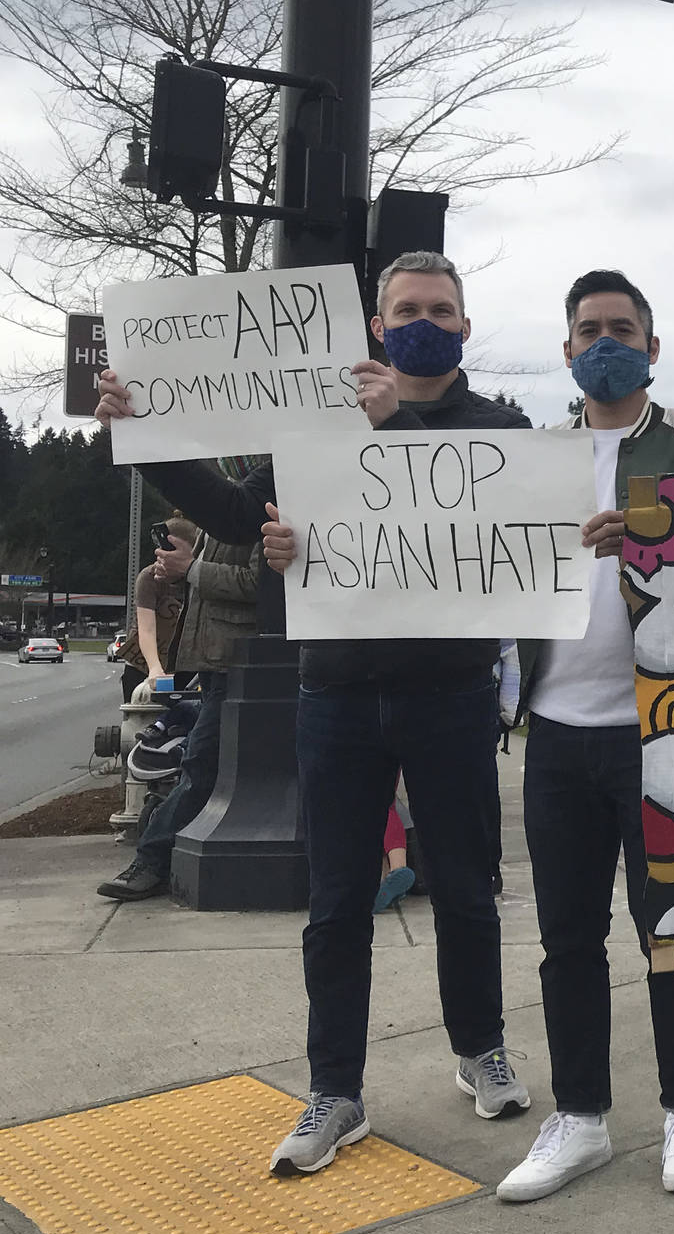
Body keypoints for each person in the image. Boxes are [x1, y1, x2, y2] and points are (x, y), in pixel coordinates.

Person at [96, 250, 533, 1176]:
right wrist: (140, 434)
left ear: (465, 323)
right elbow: (226, 505)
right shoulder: (314, 421)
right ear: (378, 323)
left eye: (442, 309)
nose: (425, 320)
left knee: (465, 888)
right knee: (335, 899)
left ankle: (479, 1047)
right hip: (333, 691)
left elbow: (505, 533)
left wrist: (397, 427)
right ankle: (335, 1087)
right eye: (408, 307)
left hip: (451, 692)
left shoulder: (502, 427)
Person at [491, 269, 674, 1204]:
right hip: (557, 731)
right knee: (567, 938)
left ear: (652, 345)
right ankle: (582, 1116)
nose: (606, 341)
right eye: (589, 328)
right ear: (565, 349)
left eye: (623, 327)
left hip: (661, 732)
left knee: (672, 930)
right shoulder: (533, 457)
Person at [98, 510, 263, 901]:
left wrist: (190, 568)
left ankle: (152, 860)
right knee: (203, 764)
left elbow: (256, 583)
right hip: (216, 662)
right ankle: (161, 849)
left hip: (234, 662)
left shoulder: (254, 511)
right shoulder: (225, 516)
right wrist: (183, 573)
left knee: (200, 764)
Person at [111, 517, 197, 699]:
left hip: (184, 665)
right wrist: (154, 667)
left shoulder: (200, 576)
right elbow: (146, 629)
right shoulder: (149, 578)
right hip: (143, 663)